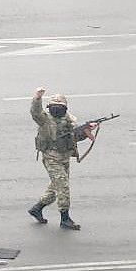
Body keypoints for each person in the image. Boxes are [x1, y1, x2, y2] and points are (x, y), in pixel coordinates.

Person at [28, 87, 97, 231]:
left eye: (59, 107)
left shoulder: (70, 120)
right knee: (63, 186)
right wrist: (37, 98)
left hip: (64, 157)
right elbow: (35, 112)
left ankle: (37, 208)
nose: (56, 110)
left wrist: (87, 129)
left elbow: (75, 137)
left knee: (55, 188)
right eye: (54, 107)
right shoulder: (45, 119)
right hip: (51, 157)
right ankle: (65, 219)